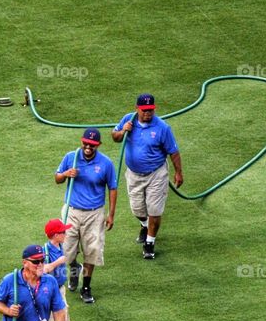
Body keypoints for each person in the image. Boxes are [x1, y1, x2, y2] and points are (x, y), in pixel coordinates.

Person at [111, 93, 183, 260]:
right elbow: (114, 137)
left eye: (150, 110)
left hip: (156, 174)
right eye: (144, 110)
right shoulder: (128, 119)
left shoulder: (162, 128)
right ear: (137, 108)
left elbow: (173, 151)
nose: (147, 113)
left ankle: (150, 243)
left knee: (155, 210)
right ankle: (144, 225)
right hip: (134, 174)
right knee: (137, 209)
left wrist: (179, 172)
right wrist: (123, 131)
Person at [55, 127, 117, 303]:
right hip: (72, 211)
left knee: (92, 251)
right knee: (67, 250)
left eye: (93, 145)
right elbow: (57, 178)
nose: (88, 147)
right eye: (86, 143)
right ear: (81, 141)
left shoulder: (106, 163)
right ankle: (75, 268)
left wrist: (110, 214)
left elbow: (112, 188)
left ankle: (86, 287)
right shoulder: (71, 158)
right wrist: (66, 174)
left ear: (98, 145)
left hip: (95, 214)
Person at [42, 219, 71, 321]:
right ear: (55, 235)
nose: (66, 233)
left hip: (60, 290)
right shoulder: (45, 251)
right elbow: (43, 270)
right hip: (49, 293)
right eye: (63, 232)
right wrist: (58, 262)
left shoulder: (61, 246)